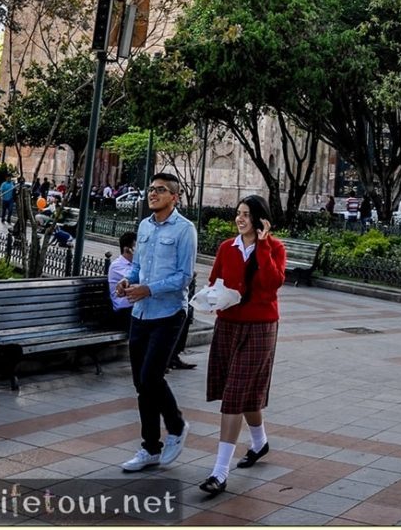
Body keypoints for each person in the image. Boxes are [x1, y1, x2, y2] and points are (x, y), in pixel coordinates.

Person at [199, 195, 286, 497]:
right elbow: (215, 281)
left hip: (260, 326)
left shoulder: (274, 248)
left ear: (261, 219)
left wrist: (262, 246)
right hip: (229, 323)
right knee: (243, 393)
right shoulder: (227, 247)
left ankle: (219, 472)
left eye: (247, 214)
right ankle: (260, 443)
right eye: (238, 213)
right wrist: (214, 298)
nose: (240, 219)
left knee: (236, 392)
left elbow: (273, 283)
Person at [115, 173, 197, 472]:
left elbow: (184, 277)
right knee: (141, 384)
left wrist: (149, 289)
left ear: (174, 197)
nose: (153, 194)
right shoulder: (144, 226)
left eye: (160, 190)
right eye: (150, 189)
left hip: (168, 313)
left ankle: (176, 426)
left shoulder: (185, 230)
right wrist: (128, 281)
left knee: (151, 377)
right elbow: (138, 267)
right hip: (140, 314)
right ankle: (150, 447)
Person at [108, 231, 137, 332]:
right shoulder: (117, 265)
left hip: (133, 309)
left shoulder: (134, 264)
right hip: (123, 311)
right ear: (127, 250)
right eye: (137, 248)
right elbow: (138, 279)